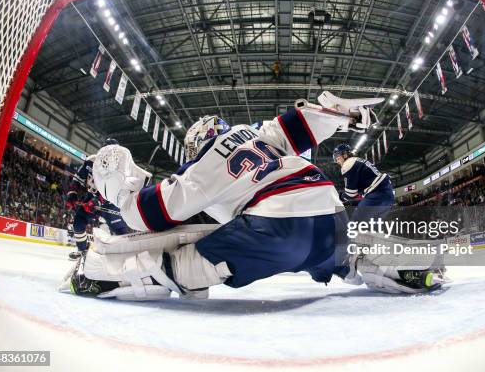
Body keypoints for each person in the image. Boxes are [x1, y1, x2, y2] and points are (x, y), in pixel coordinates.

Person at [66, 105, 443, 300]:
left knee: (184, 262)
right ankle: (410, 266)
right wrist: (343, 115)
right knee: (346, 255)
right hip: (328, 212)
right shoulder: (256, 134)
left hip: (276, 228)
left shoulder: (204, 165)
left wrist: (118, 188)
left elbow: (146, 215)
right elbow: (299, 122)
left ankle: (98, 276)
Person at [65, 138, 130, 260]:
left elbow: (114, 189)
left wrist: (98, 201)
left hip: (111, 201)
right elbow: (78, 178)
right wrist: (72, 193)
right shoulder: (91, 161)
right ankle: (82, 250)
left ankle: (125, 255)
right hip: (91, 195)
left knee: (120, 232)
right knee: (78, 223)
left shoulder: (120, 168)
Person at [333, 143, 394, 220]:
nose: (337, 162)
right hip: (386, 193)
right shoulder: (357, 160)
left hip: (377, 193)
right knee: (371, 226)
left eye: (338, 158)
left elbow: (351, 194)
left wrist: (340, 197)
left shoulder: (347, 164)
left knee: (356, 223)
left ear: (345, 155)